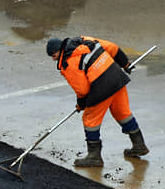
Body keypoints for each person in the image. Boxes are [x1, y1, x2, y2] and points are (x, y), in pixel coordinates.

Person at [46, 36, 149, 167]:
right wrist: (125, 63)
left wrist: (81, 104)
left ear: (60, 50)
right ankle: (139, 145)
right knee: (122, 113)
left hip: (102, 86)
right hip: (117, 77)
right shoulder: (84, 40)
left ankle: (94, 157)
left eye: (54, 55)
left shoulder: (68, 63)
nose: (53, 59)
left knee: (90, 119)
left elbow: (83, 90)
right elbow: (112, 48)